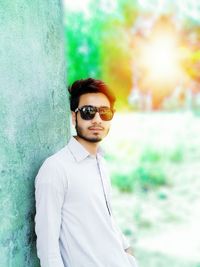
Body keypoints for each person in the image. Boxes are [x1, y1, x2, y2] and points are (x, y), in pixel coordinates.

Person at [35, 78, 138, 267]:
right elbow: (47, 247)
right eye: (88, 112)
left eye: (104, 113)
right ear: (74, 117)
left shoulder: (100, 162)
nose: (97, 119)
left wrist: (126, 250)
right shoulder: (55, 169)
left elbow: (106, 216)